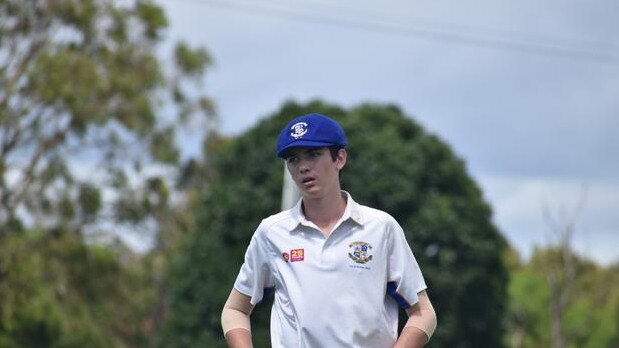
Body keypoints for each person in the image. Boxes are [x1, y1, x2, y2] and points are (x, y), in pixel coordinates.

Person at [221, 113, 437, 347]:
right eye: (293, 159)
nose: (303, 167)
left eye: (314, 155)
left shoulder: (381, 227)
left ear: (340, 158)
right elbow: (235, 310)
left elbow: (424, 313)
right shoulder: (271, 232)